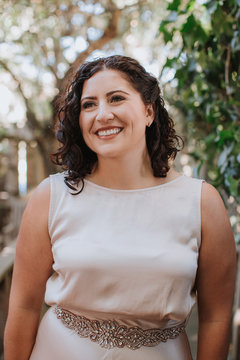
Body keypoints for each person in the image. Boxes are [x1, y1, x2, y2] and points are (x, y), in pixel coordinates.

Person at [4, 55, 236, 360]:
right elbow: (23, 306)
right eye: (89, 104)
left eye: (116, 99)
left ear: (149, 111)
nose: (102, 114)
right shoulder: (51, 197)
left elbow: (216, 317)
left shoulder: (202, 202)